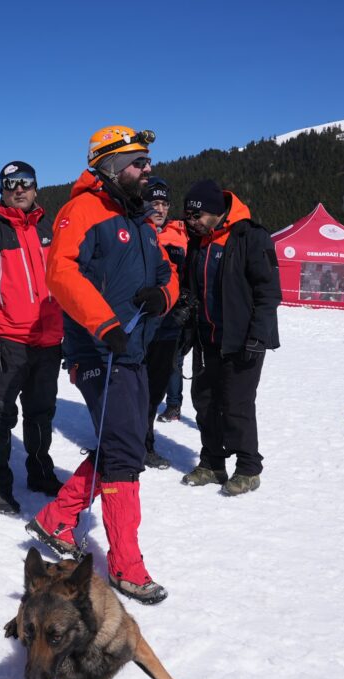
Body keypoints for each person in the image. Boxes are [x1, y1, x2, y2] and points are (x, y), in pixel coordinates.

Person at [25, 126, 177, 605]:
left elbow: (167, 275)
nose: (147, 169)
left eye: (147, 160)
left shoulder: (143, 221)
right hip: (97, 350)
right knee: (124, 454)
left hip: (132, 352)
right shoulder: (81, 211)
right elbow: (60, 272)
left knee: (124, 446)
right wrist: (103, 323)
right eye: (138, 161)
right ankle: (127, 565)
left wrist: (163, 297)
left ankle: (57, 518)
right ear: (109, 165)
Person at [0, 161, 63, 516]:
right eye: (11, 185)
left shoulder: (50, 229)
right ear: (2, 191)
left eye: (25, 183)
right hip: (7, 339)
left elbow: (67, 278)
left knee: (41, 412)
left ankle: (39, 472)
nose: (19, 189)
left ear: (36, 188)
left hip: (49, 339)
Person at [180, 179, 281, 496]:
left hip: (243, 339)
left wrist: (258, 335)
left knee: (236, 405)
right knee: (205, 402)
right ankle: (212, 463)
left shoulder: (250, 236)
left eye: (197, 216)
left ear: (215, 212)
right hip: (206, 338)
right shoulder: (199, 241)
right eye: (188, 217)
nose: (191, 223)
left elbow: (268, 292)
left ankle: (249, 468)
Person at [141, 177, 193, 468]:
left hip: (170, 324)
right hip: (138, 324)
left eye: (163, 203)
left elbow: (188, 277)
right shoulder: (134, 229)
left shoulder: (179, 235)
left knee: (155, 388)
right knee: (131, 388)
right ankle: (120, 443)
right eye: (153, 203)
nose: (159, 209)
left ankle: (146, 444)